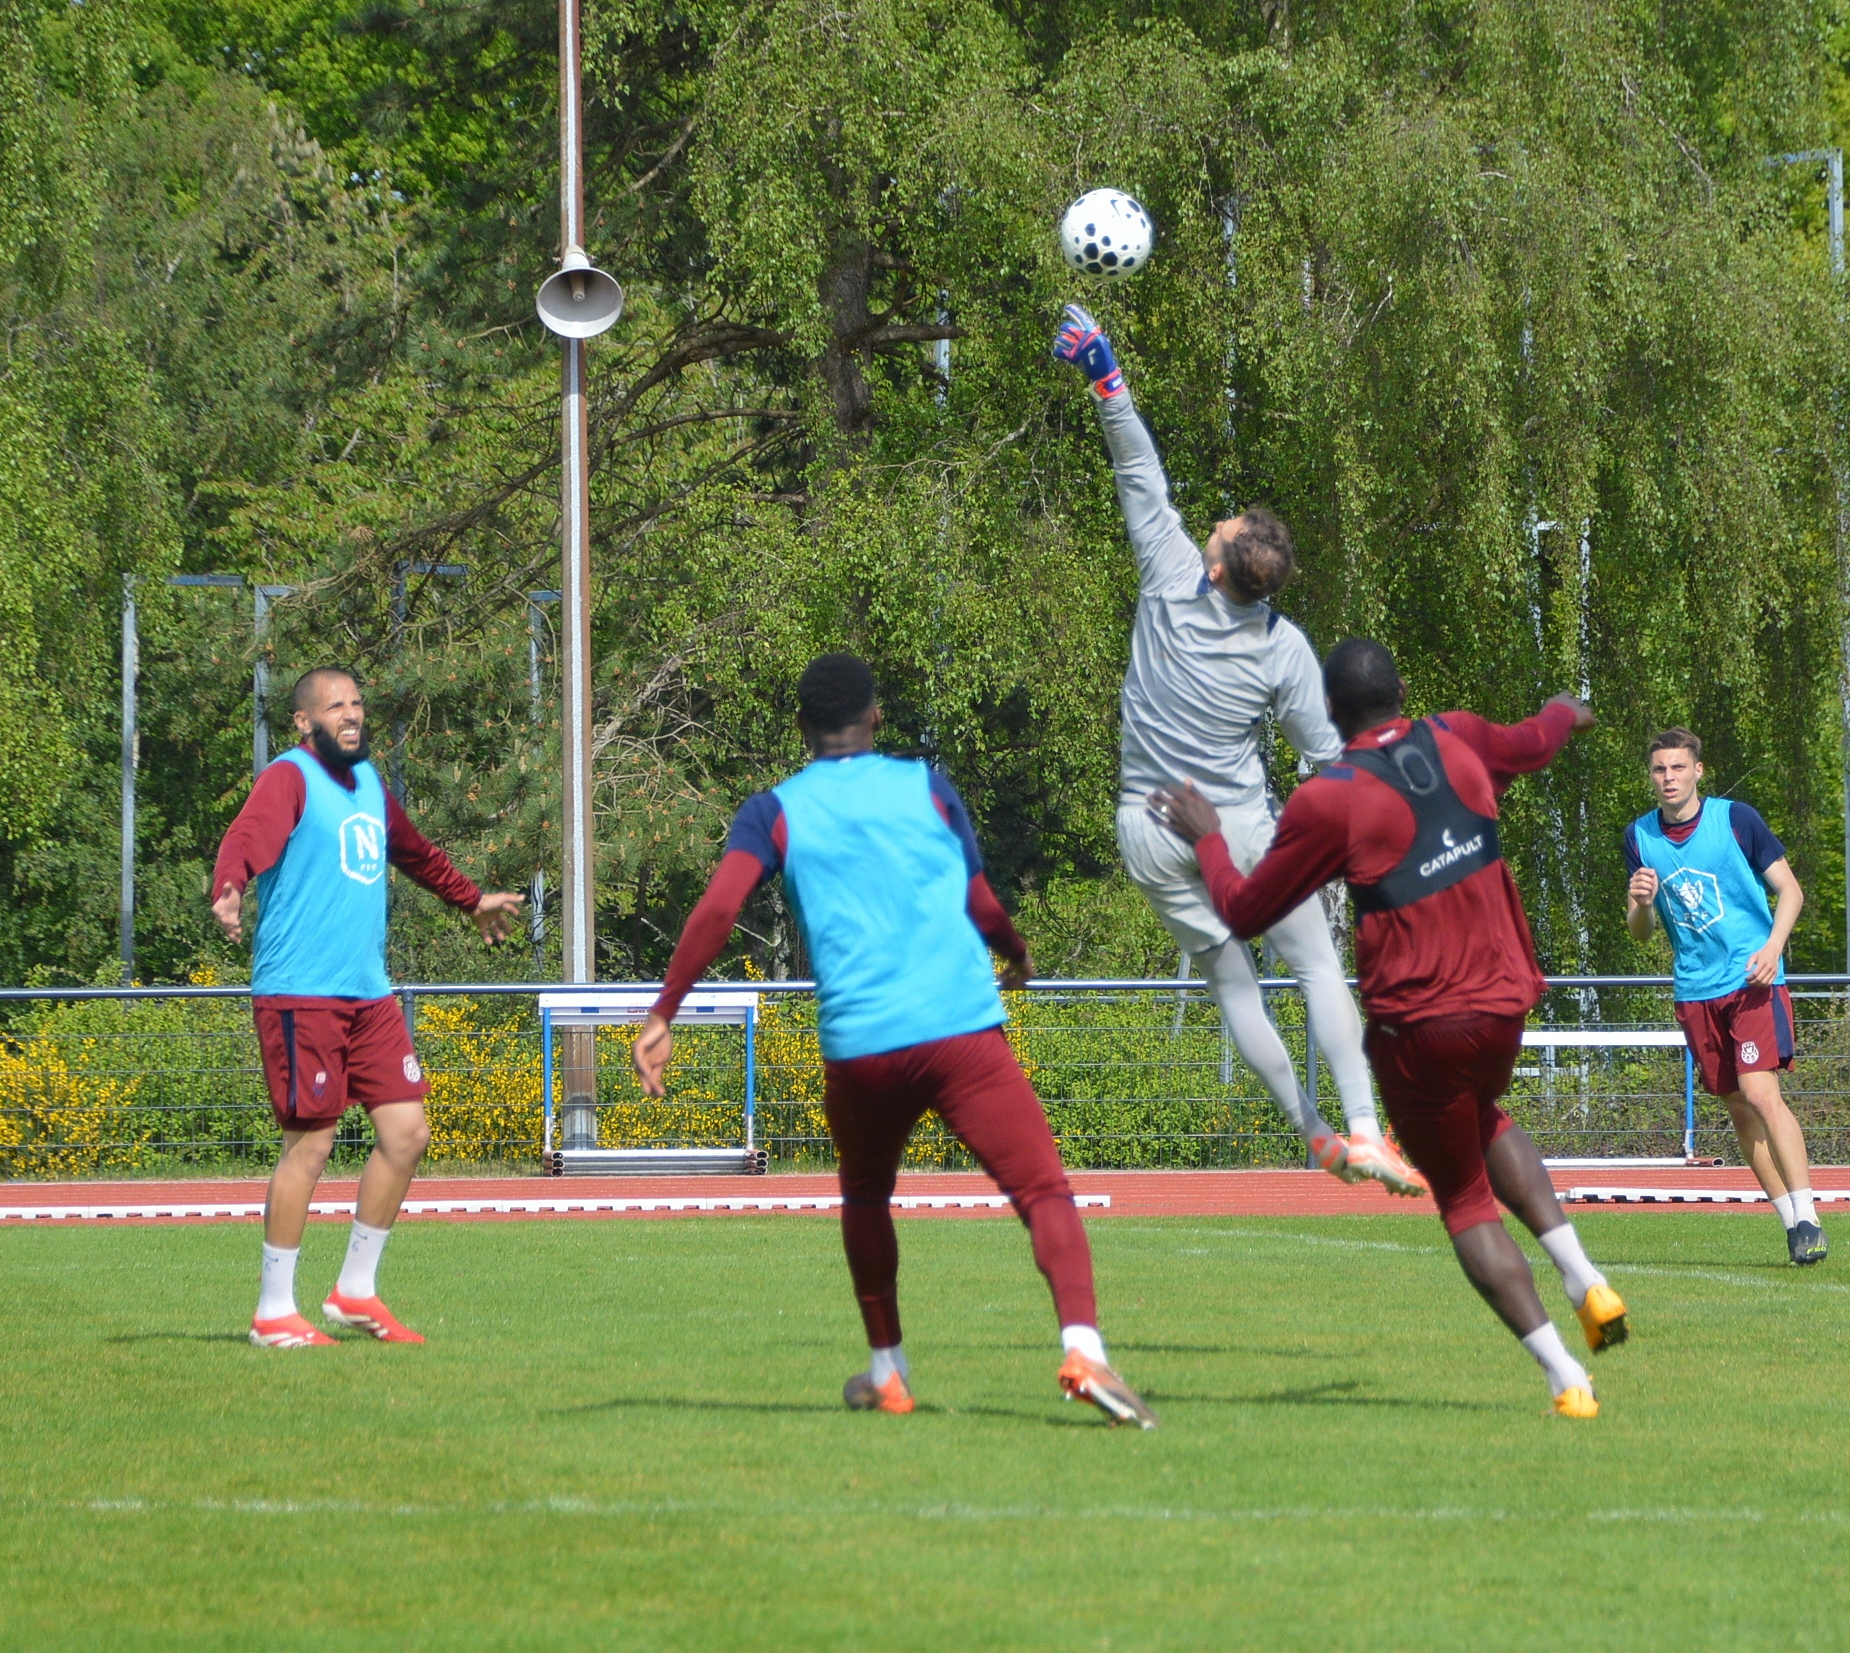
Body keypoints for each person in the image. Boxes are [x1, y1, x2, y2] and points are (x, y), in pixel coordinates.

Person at [631, 653, 1156, 1427]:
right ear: (876, 717)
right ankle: (1084, 1349)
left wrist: (664, 1011)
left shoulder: (775, 809)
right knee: (1043, 1190)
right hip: (961, 1031)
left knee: (867, 1195)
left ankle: (890, 1371)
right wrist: (1014, 952)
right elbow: (979, 897)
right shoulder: (927, 786)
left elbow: (718, 907)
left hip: (862, 1047)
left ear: (802, 729)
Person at [1152, 640, 1629, 1417]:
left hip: (1423, 1025)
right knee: (1483, 1117)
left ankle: (1565, 1376)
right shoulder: (1458, 736)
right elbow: (1537, 739)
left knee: (1464, 1199)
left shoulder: (1330, 800)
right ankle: (1585, 1277)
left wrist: (1207, 832)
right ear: (1402, 690)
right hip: (1506, 997)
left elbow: (1242, 910)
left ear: (1330, 715)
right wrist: (1565, 712)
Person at [1052, 304, 1424, 1196]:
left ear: (1214, 565)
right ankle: (1367, 1129)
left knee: (1234, 987)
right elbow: (1326, 752)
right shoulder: (1283, 647)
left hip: (1149, 828)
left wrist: (1107, 374)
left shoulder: (1170, 576)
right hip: (1246, 833)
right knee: (1317, 967)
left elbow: (1137, 462)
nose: (1210, 525)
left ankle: (1312, 1131)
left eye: (1217, 530)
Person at [212, 667, 522, 1347]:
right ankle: (273, 1310)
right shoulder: (289, 777)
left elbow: (415, 852)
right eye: (335, 706)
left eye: (356, 704)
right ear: (304, 722)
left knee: (407, 1133)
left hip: (368, 993)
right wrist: (229, 887)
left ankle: (354, 1291)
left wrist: (472, 900)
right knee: (312, 1144)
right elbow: (245, 840)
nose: (351, 714)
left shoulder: (372, 783)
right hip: (302, 991)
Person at [1625, 729, 1824, 1264]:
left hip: (1751, 981)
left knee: (1761, 1094)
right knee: (1738, 1108)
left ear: (1698, 770)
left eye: (1678, 768)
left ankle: (1810, 1217)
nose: (1668, 778)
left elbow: (1791, 891)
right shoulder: (1639, 837)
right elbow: (1641, 932)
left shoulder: (1737, 819)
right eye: (1660, 770)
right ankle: (1790, 1225)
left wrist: (1773, 948)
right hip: (1695, 990)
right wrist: (1640, 903)